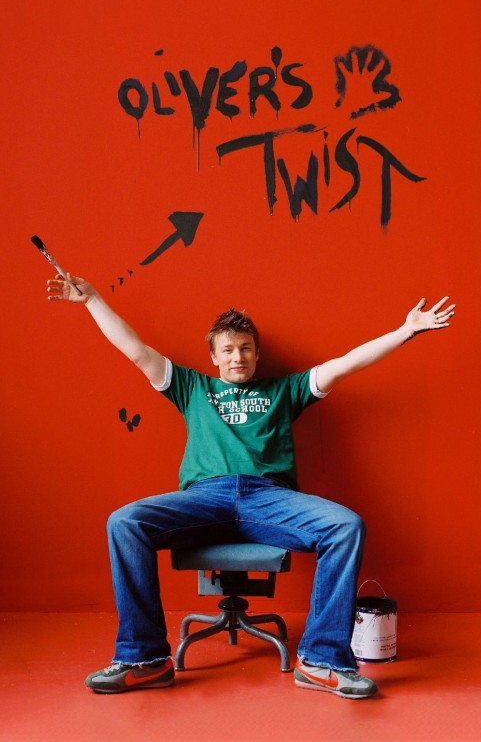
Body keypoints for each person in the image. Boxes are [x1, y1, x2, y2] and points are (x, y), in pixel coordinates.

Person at [46, 273, 454, 699]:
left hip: (270, 500)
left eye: (245, 348)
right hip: (204, 499)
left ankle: (322, 661)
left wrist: (405, 331)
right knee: (124, 522)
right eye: (227, 350)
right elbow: (135, 350)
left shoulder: (286, 390)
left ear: (257, 355)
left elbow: (347, 363)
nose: (237, 357)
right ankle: (145, 660)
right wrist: (92, 300)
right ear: (214, 358)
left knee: (346, 525)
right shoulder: (192, 387)